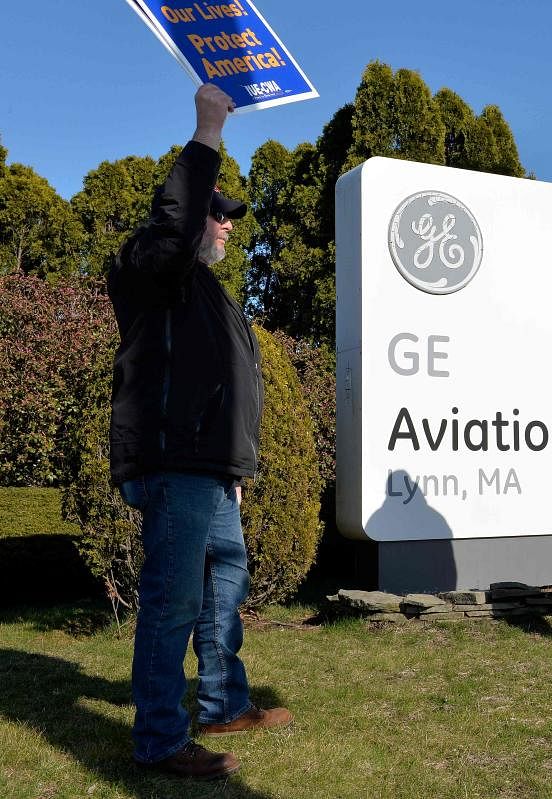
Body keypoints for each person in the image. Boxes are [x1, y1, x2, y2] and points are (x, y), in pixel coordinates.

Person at [108, 84, 292, 780]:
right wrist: (208, 130)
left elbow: (231, 384)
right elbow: (175, 224)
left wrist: (236, 467)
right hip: (174, 462)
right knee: (173, 599)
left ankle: (221, 704)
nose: (227, 227)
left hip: (213, 473)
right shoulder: (150, 268)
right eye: (218, 216)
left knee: (221, 590)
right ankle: (158, 739)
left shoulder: (208, 294)